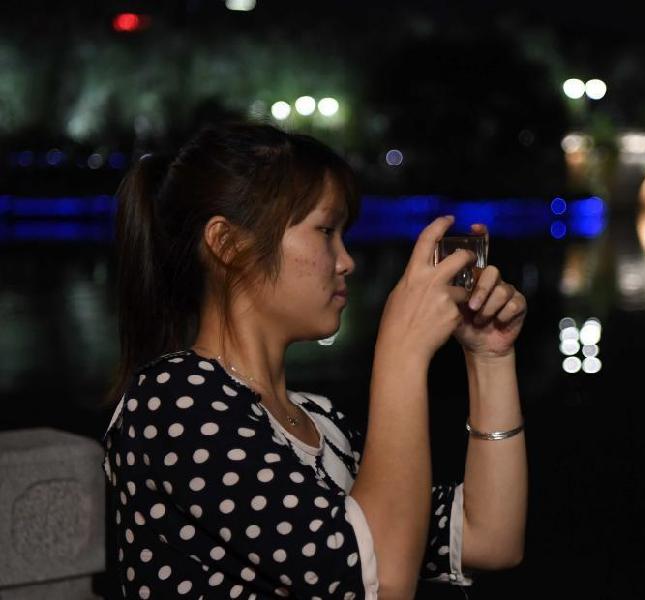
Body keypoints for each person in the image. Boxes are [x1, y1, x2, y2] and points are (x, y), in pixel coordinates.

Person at [101, 121, 528, 599]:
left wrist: (490, 358)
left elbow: (490, 538)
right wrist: (401, 350)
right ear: (228, 244)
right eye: (325, 231)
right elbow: (380, 583)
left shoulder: (322, 423)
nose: (346, 261)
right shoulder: (173, 400)